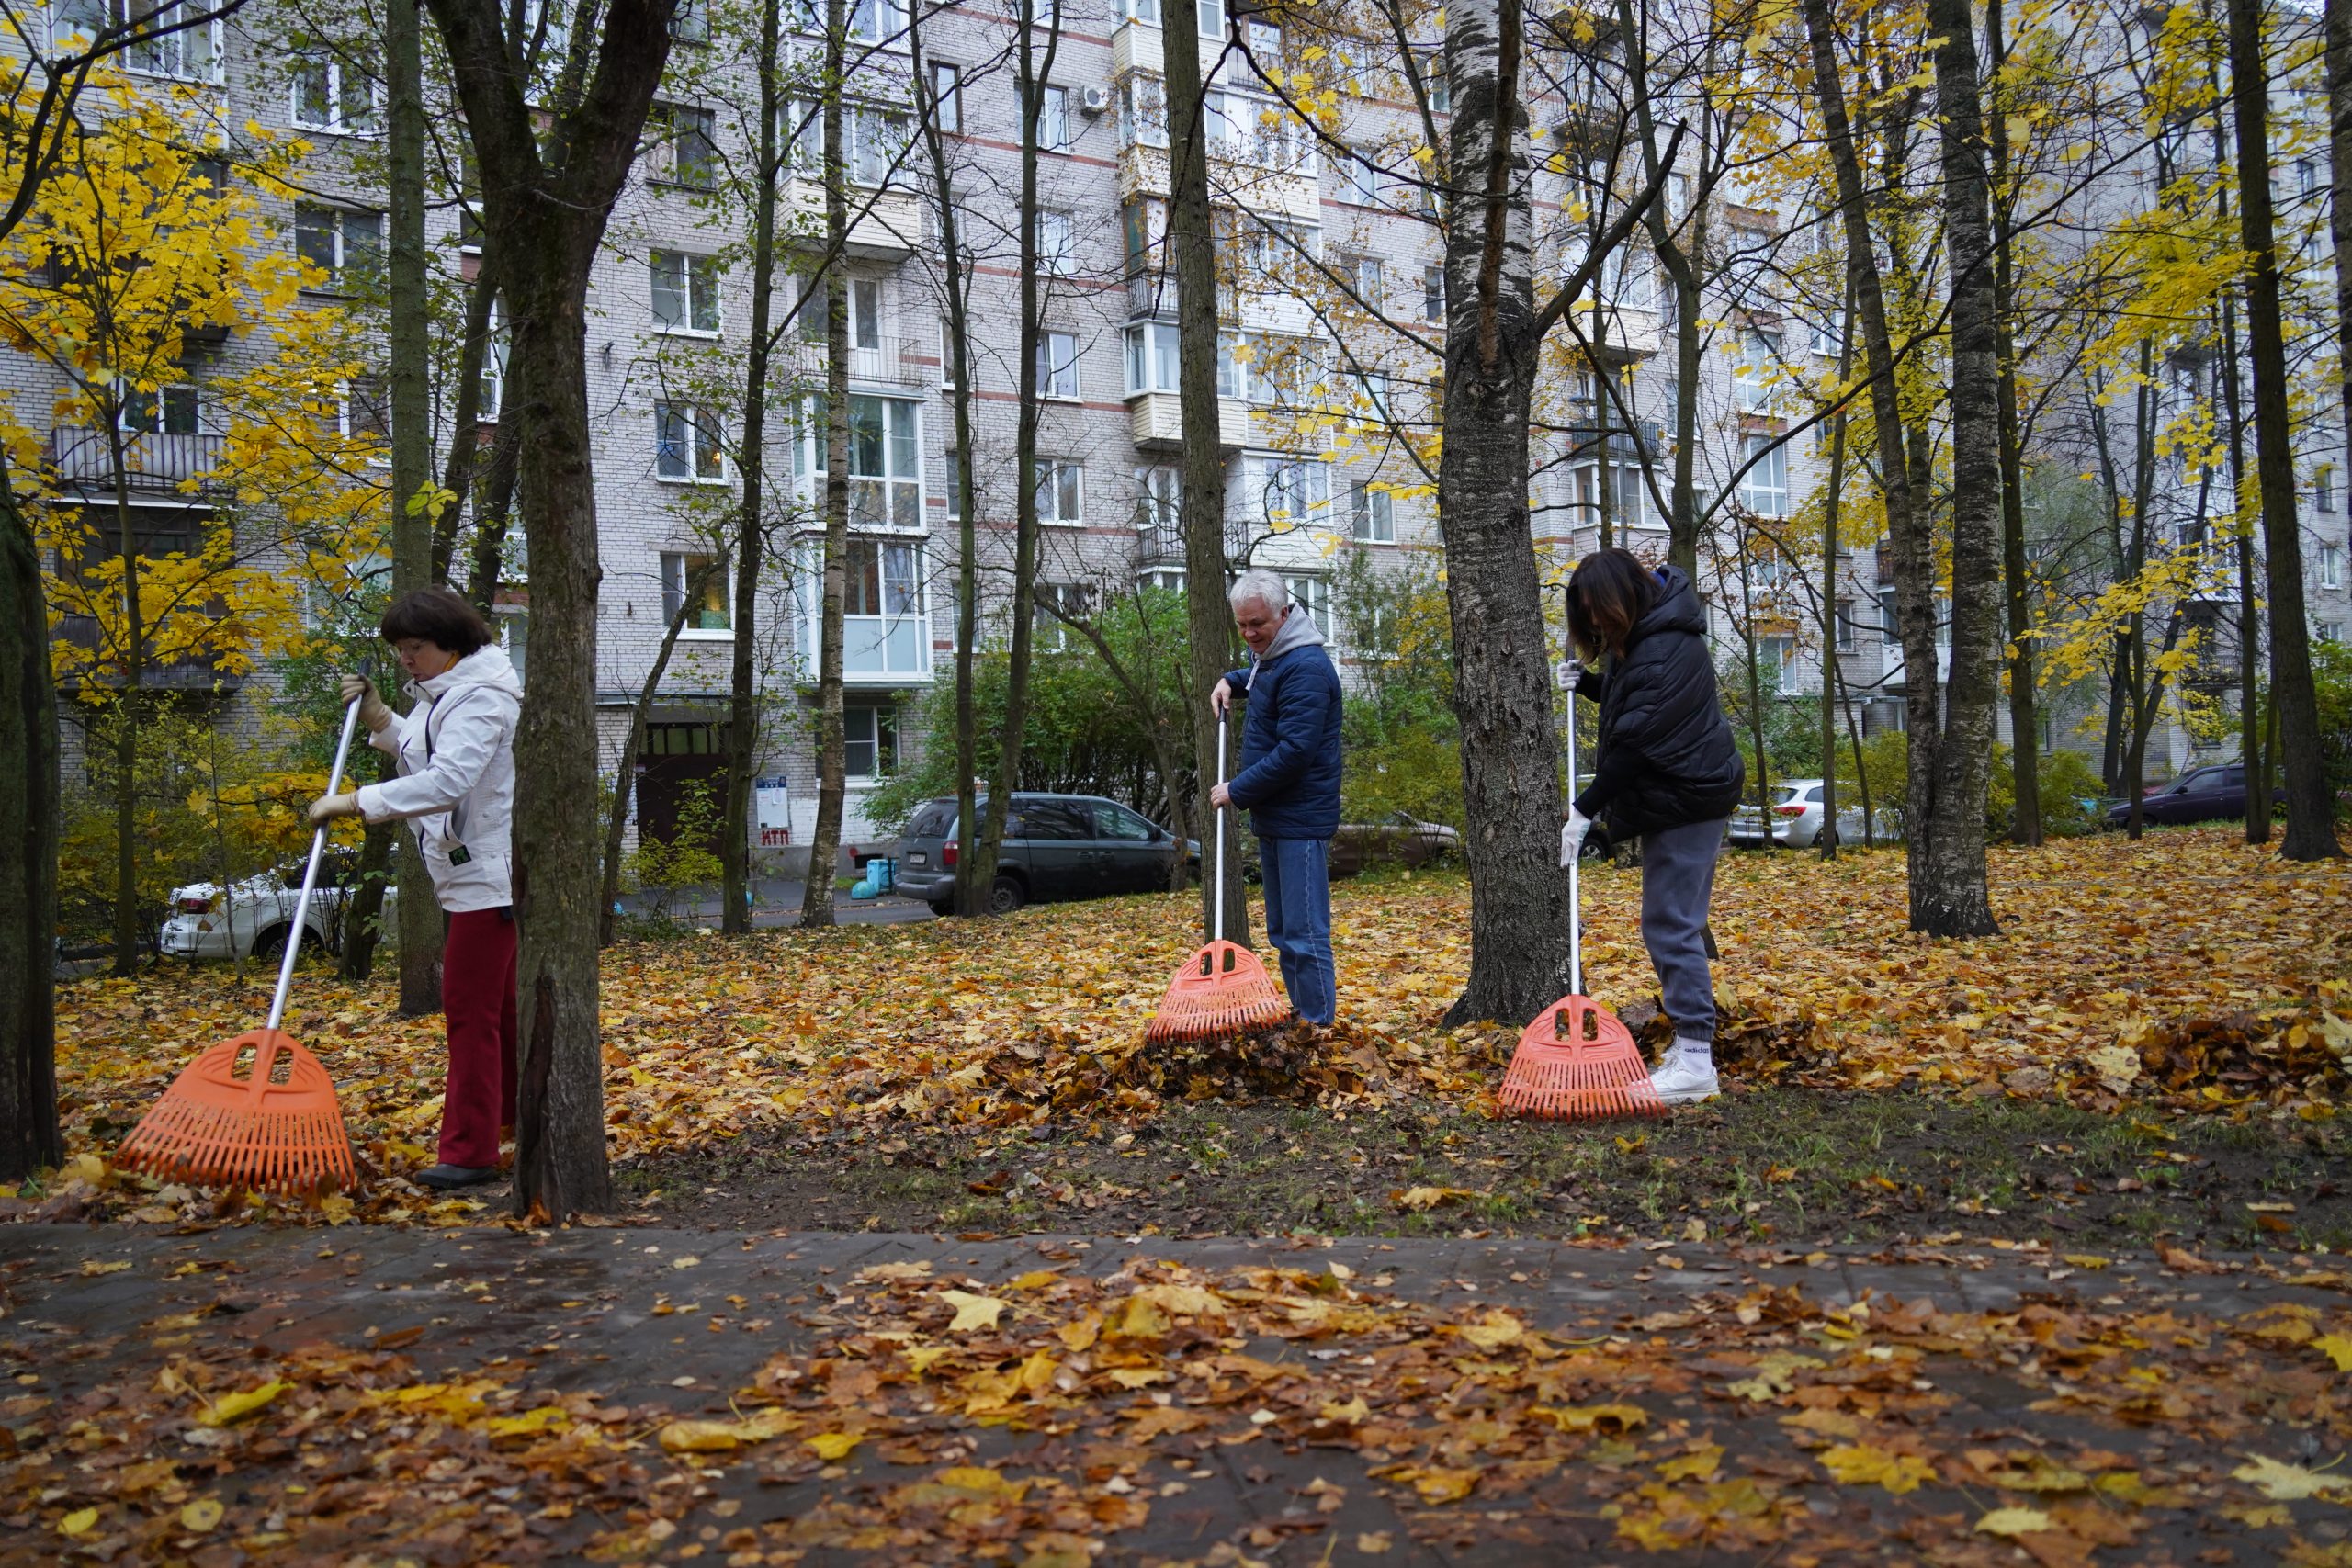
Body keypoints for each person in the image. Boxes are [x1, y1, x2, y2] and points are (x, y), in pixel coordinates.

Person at [308, 587, 524, 1189]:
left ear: (451, 644)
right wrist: (381, 719)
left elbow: (448, 779)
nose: (406, 658)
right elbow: (425, 749)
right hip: (471, 878)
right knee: (496, 1011)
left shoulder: (479, 700)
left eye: (415, 647)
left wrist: (356, 802)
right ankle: (509, 1119)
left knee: (468, 1011)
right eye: (400, 649)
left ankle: (470, 1150)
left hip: (487, 879)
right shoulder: (448, 695)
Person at [1558, 548, 1744, 1104]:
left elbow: (1636, 742)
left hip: (1690, 797)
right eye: (1585, 616)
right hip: (1678, 794)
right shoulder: (1647, 633)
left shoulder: (1664, 648)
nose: (1593, 624)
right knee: (1669, 923)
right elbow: (1632, 705)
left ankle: (1694, 1060)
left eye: (1597, 612)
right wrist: (1589, 685)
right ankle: (1691, 1050)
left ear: (1624, 596)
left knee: (1671, 925)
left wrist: (1583, 808)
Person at [1209, 568, 1343, 1026]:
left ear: (1284, 615)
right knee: (1284, 932)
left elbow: (1295, 753)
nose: (1249, 634)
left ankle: (1318, 1027)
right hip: (1277, 816)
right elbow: (1264, 679)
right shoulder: (1275, 659)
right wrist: (1233, 679)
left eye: (1258, 625)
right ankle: (1303, 1015)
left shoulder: (1305, 666)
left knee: (1305, 934)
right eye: (1242, 625)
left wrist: (1236, 790)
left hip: (1301, 820)